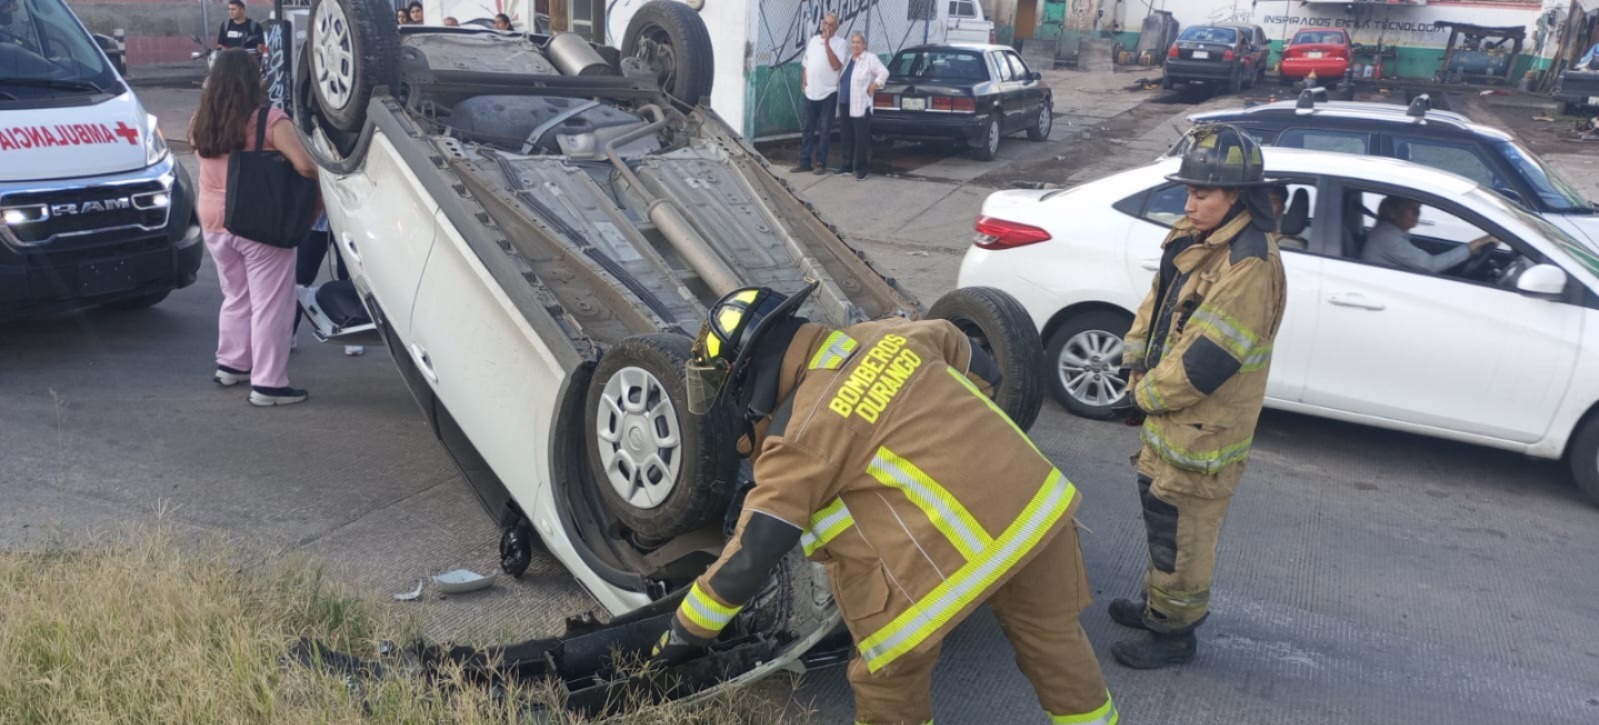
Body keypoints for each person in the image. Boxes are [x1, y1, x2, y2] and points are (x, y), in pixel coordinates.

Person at [650, 283, 1119, 725]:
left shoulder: (800, 435)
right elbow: (982, 368)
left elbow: (755, 549)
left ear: (749, 372)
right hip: (1039, 512)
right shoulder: (894, 332)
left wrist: (683, 635)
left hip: (949, 558)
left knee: (885, 681)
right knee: (1053, 642)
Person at [1108, 124, 1287, 669]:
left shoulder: (1249, 264)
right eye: (1187, 191)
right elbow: (1155, 306)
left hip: (1202, 431)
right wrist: (1133, 366)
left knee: (1183, 538)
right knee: (1163, 521)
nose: (1189, 203)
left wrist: (1144, 398)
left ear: (1237, 196)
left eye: (1202, 194)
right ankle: (1154, 607)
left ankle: (1172, 636)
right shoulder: (1193, 238)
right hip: (1170, 418)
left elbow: (1205, 362)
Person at [190, 49, 318, 406]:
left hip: (215, 221)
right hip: (259, 221)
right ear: (254, 80)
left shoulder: (200, 119)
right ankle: (268, 384)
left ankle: (231, 365)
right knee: (272, 304)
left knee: (236, 295)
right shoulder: (270, 121)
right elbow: (306, 167)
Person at [1361, 195, 1495, 274]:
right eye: (1411, 208)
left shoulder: (1389, 233)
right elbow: (1430, 265)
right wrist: (1472, 246)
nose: (1417, 213)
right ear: (1393, 213)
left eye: (1418, 208)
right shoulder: (1387, 237)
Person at [790, 12, 846, 175]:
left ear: (837, 27)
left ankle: (821, 163)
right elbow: (807, 63)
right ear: (822, 24)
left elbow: (836, 65)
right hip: (811, 92)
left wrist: (827, 44)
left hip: (828, 92)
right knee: (807, 128)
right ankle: (804, 161)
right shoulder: (814, 41)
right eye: (826, 24)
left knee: (824, 128)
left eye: (831, 25)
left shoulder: (840, 43)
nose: (827, 27)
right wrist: (804, 81)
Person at [835, 32, 889, 181]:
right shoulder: (848, 60)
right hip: (845, 102)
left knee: (860, 138)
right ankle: (846, 166)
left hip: (860, 104)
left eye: (858, 42)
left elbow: (884, 72)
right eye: (853, 42)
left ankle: (862, 169)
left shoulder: (870, 59)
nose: (855, 45)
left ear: (864, 45)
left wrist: (874, 84)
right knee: (846, 136)